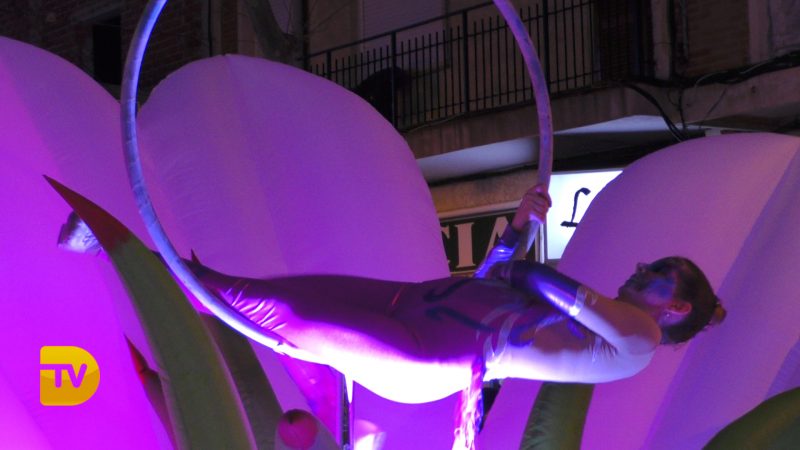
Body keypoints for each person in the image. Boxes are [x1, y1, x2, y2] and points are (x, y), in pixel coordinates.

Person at [60, 185, 725, 405]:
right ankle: (121, 249)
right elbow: (497, 279)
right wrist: (519, 227)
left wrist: (524, 259)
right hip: (411, 298)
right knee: (265, 292)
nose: (643, 269)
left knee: (272, 310)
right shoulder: (602, 320)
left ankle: (115, 248)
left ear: (678, 308)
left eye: (659, 273)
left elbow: (534, 281)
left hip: (425, 352)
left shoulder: (637, 339)